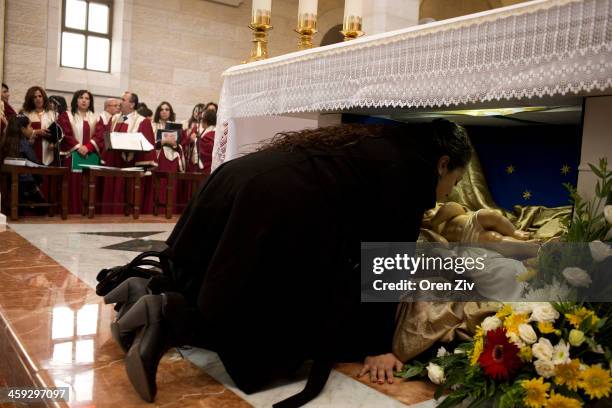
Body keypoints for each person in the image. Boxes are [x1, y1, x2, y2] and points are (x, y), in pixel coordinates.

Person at [101, 120, 472, 404]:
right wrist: (377, 345)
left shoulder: (385, 140)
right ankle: (165, 316)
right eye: (454, 182)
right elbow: (387, 262)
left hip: (238, 177)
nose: (449, 193)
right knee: (268, 343)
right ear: (442, 164)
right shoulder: (412, 174)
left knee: (215, 282)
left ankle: (146, 288)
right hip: (273, 201)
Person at [422, 201, 539, 258]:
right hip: (467, 238)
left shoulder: (443, 210)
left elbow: (454, 208)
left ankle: (513, 232)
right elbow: (444, 245)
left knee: (491, 215)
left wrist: (434, 221)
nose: (425, 216)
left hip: (471, 221)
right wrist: (429, 232)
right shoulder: (430, 231)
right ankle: (526, 247)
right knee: (493, 239)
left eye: (426, 212)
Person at [62, 90, 100, 213]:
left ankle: (88, 211)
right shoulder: (67, 115)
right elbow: (65, 134)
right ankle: (72, 211)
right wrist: (78, 147)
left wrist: (88, 147)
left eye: (87, 98)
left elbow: (99, 136)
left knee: (89, 184)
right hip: (73, 155)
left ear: (90, 102)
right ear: (75, 100)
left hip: (90, 155)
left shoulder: (96, 118)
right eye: (81, 97)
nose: (84, 100)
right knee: (73, 185)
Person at [0, 115, 46, 206]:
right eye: (30, 126)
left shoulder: (5, 142)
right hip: (25, 184)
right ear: (22, 129)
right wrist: (39, 180)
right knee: (43, 207)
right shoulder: (23, 143)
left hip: (7, 183)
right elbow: (35, 163)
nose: (32, 129)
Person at [22, 86, 56, 166]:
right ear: (30, 99)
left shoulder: (52, 114)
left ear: (44, 97)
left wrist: (54, 143)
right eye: (34, 97)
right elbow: (20, 132)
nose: (38, 99)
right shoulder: (25, 114)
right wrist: (36, 132)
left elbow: (59, 133)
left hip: (49, 152)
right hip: (31, 150)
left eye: (40, 96)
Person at [198, 109, 216, 174]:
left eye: (202, 119)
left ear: (205, 121)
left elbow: (203, 156)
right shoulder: (218, 133)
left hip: (208, 170)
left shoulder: (207, 137)